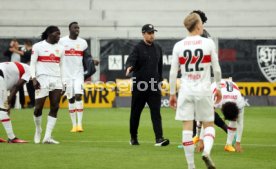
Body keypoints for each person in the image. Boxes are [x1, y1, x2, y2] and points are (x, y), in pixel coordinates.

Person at [169, 13, 222, 169]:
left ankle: (191, 166)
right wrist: (218, 88)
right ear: (198, 26)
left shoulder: (178, 46)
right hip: (204, 90)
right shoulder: (208, 43)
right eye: (202, 24)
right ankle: (206, 152)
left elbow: (173, 72)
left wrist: (172, 93)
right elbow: (217, 70)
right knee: (209, 125)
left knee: (187, 127)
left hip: (186, 90)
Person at [126, 24, 169, 146]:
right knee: (135, 113)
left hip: (154, 86)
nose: (152, 35)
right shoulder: (137, 47)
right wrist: (129, 67)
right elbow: (131, 60)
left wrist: (159, 81)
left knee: (156, 113)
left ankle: (159, 138)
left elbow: (160, 66)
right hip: (140, 86)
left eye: (153, 33)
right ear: (143, 34)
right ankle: (133, 138)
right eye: (149, 33)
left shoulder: (158, 48)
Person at [190, 10, 228, 144]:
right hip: (199, 78)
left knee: (204, 110)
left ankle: (227, 130)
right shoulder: (202, 36)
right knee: (196, 110)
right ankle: (195, 137)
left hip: (203, 78)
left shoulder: (203, 37)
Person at [59, 22, 98, 132]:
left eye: (78, 28)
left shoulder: (83, 42)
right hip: (66, 75)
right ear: (69, 29)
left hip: (78, 74)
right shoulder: (62, 41)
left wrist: (93, 61)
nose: (77, 29)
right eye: (75, 27)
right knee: (70, 99)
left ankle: (80, 125)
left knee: (78, 96)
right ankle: (74, 125)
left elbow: (87, 57)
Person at [30, 26, 65, 144]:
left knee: (55, 107)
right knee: (38, 108)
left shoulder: (61, 48)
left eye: (60, 34)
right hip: (42, 79)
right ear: (50, 34)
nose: (59, 37)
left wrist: (64, 83)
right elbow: (32, 63)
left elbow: (62, 66)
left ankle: (47, 137)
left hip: (56, 79)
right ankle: (38, 129)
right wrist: (33, 78)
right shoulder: (38, 46)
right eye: (57, 34)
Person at [0, 62, 30, 143]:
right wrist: (8, 104)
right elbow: (16, 87)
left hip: (1, 75)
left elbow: (12, 86)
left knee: (2, 109)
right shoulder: (29, 70)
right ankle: (12, 138)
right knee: (3, 110)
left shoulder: (17, 67)